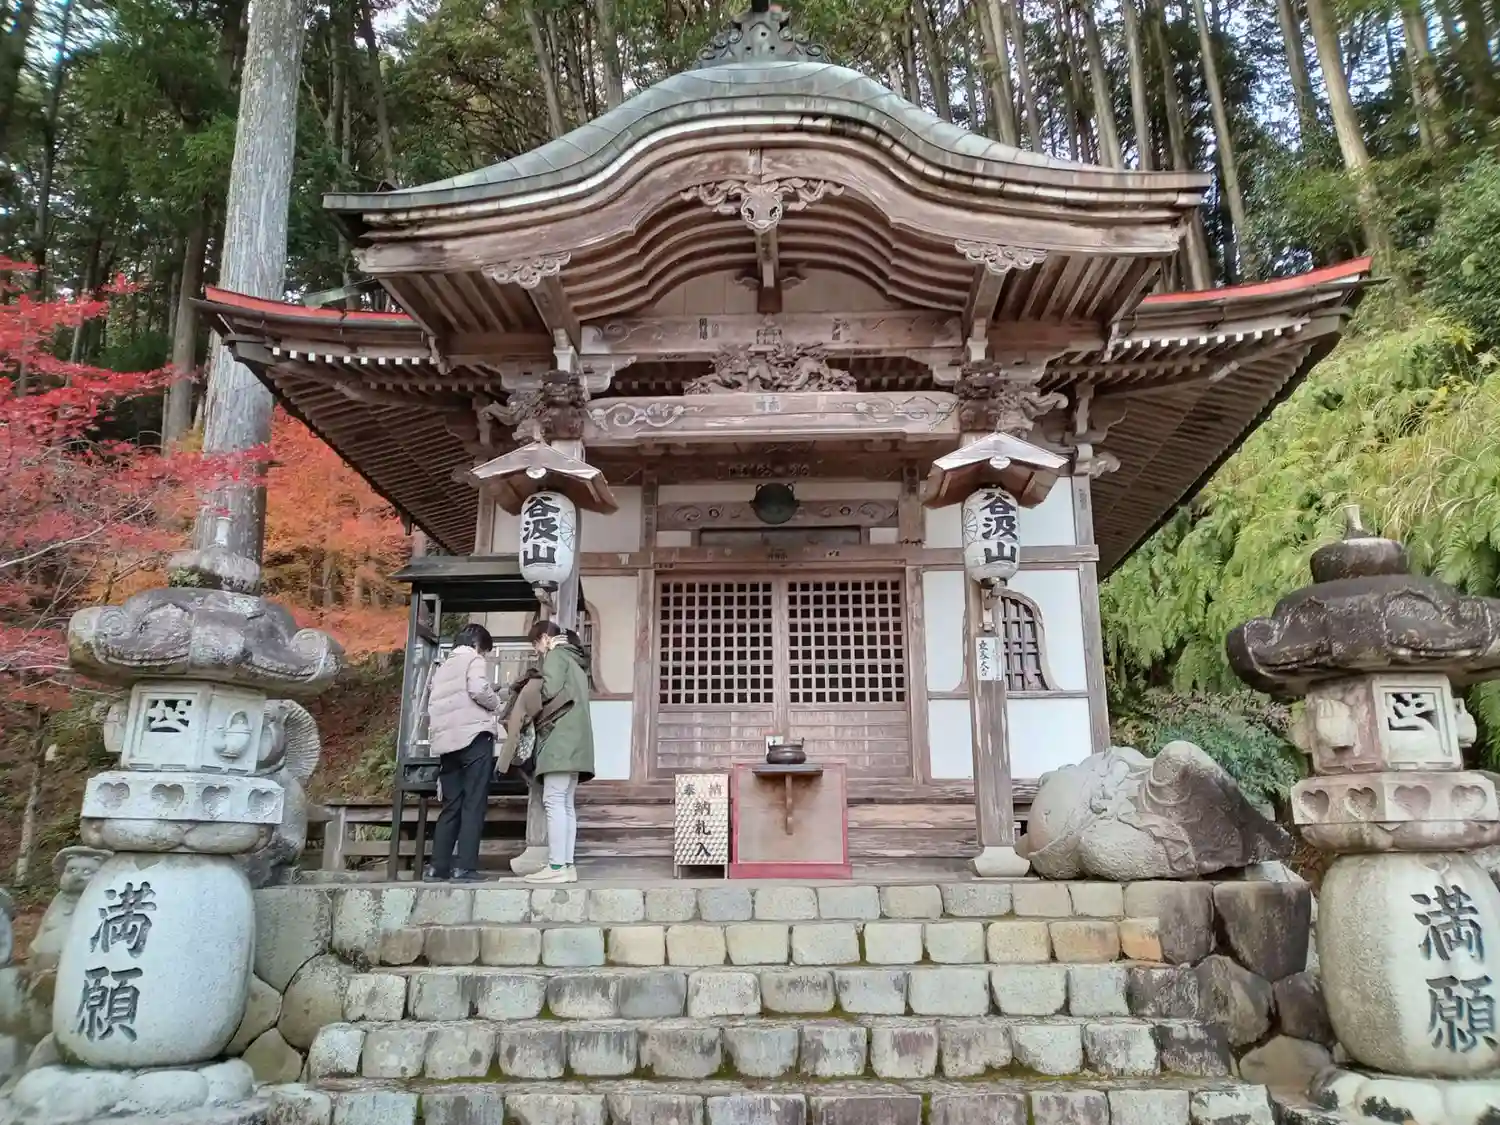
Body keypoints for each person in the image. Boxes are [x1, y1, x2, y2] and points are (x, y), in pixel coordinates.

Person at [424, 622, 502, 881]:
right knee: (473, 803)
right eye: (485, 650)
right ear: (478, 645)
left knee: (451, 805)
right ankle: (465, 867)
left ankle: (438, 867)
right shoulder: (473, 659)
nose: (485, 655)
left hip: (447, 744)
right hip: (473, 739)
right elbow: (478, 690)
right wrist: (497, 704)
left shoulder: (443, 666)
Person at [524, 619, 595, 884]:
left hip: (559, 740)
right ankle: (566, 865)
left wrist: (528, 689)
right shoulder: (576, 660)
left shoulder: (555, 655)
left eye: (536, 644)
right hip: (577, 741)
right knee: (565, 803)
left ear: (544, 638)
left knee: (554, 801)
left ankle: (555, 866)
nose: (537, 650)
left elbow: (549, 690)